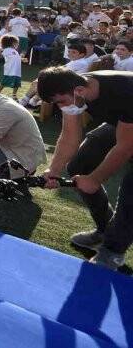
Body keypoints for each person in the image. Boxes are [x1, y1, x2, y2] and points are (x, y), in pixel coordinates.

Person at [38, 67, 133, 270]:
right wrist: (54, 170)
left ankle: (113, 251)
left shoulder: (125, 92)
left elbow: (125, 147)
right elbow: (69, 136)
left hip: (129, 123)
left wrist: (95, 180)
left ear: (79, 91)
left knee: (131, 189)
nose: (61, 107)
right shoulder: (76, 89)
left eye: (61, 102)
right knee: (80, 164)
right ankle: (105, 229)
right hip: (124, 123)